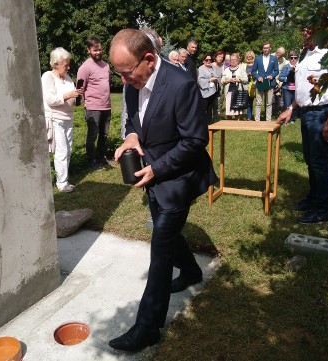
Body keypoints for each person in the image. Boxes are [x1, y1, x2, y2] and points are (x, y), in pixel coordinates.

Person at [108, 28, 218, 352]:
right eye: (120, 75)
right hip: (152, 178)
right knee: (165, 232)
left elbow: (196, 141)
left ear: (149, 59)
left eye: (128, 73)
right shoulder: (132, 83)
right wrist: (130, 137)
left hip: (178, 178)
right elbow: (135, 124)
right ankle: (193, 270)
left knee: (160, 250)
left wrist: (157, 168)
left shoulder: (182, 85)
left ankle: (147, 327)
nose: (125, 82)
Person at [276, 27, 328, 224]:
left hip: (321, 113)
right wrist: (291, 108)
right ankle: (314, 199)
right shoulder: (305, 52)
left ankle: (322, 210)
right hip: (306, 113)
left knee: (319, 162)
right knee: (310, 160)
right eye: (303, 30)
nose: (304, 34)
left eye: (309, 30)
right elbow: (305, 90)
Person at [41, 47, 83, 193]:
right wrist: (68, 95)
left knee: (68, 150)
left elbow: (70, 99)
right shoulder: (47, 77)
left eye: (68, 64)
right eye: (66, 65)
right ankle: (62, 183)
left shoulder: (68, 78)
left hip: (68, 118)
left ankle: (64, 178)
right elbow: (51, 99)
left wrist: (77, 96)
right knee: (61, 151)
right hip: (55, 119)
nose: (68, 67)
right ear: (56, 64)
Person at [77, 36, 112, 171]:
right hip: (93, 107)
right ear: (88, 50)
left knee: (104, 134)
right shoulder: (85, 67)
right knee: (93, 135)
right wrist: (80, 102)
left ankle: (101, 156)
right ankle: (91, 161)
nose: (98, 52)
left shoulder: (106, 65)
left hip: (106, 105)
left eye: (99, 49)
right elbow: (80, 88)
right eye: (95, 50)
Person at [252, 42, 280, 121]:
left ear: (270, 48)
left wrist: (272, 76)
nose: (265, 49)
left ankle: (268, 120)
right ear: (262, 49)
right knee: (258, 103)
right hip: (260, 83)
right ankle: (257, 120)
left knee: (269, 103)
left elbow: (277, 71)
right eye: (264, 48)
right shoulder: (258, 58)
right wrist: (258, 77)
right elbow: (253, 71)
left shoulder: (274, 58)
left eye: (267, 48)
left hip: (270, 83)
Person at [221, 52, 248, 119]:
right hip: (229, 92)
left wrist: (239, 80)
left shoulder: (241, 69)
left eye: (235, 59)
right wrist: (228, 80)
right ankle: (229, 124)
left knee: (237, 109)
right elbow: (222, 81)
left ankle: (237, 123)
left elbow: (246, 79)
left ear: (238, 60)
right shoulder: (226, 70)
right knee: (228, 110)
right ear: (230, 61)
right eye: (232, 60)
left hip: (238, 91)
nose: (233, 61)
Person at [198, 53, 222, 124]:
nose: (208, 61)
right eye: (206, 60)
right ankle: (202, 124)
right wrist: (209, 80)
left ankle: (209, 124)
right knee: (203, 109)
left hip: (213, 91)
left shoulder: (213, 67)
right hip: (205, 92)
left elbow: (217, 75)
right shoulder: (201, 68)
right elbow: (199, 80)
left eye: (210, 60)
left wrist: (215, 78)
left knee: (210, 109)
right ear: (203, 61)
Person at [278, 49, 299, 125]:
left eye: (295, 57)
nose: (293, 59)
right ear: (289, 58)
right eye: (291, 57)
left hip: (296, 89)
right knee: (287, 104)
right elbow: (280, 77)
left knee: (295, 104)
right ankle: (287, 119)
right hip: (287, 88)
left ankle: (293, 119)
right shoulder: (286, 67)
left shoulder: (300, 67)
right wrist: (288, 78)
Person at [243, 50, 256, 120]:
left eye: (250, 56)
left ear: (253, 57)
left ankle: (252, 116)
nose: (248, 57)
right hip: (244, 85)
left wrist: (253, 74)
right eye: (247, 56)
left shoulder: (255, 65)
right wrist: (246, 75)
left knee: (252, 102)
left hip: (253, 85)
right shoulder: (243, 65)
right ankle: (247, 116)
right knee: (246, 102)